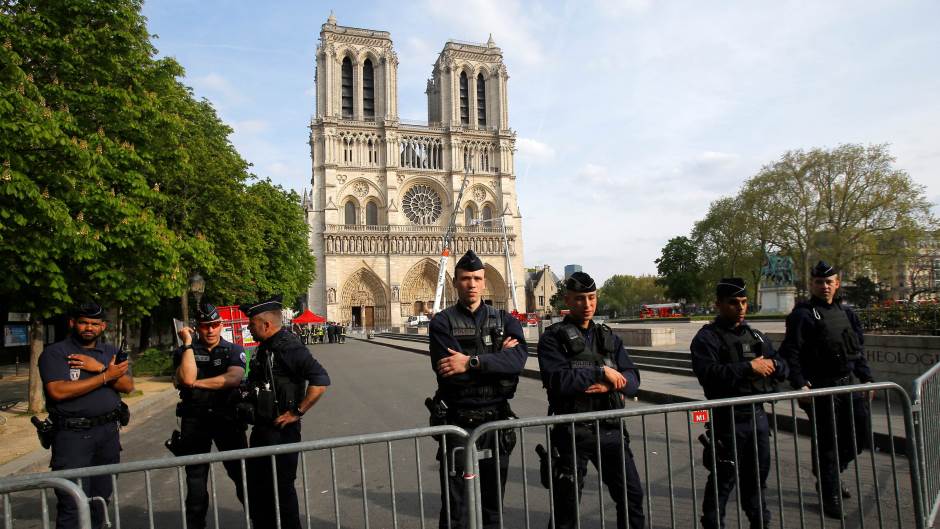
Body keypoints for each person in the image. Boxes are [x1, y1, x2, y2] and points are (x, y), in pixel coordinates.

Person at [428, 249, 528, 529]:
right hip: (459, 423)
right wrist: (497, 361)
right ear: (455, 282)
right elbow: (449, 375)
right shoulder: (441, 323)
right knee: (455, 511)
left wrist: (470, 362)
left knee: (493, 508)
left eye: (477, 278)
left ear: (485, 282)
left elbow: (518, 361)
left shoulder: (505, 320)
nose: (471, 284)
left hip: (496, 422)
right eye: (465, 278)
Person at [537, 271, 645, 529]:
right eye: (579, 299)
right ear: (567, 300)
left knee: (632, 498)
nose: (587, 305)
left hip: (610, 429)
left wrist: (609, 383)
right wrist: (599, 372)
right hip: (573, 432)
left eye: (591, 298)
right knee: (567, 507)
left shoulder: (608, 337)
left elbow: (633, 379)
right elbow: (557, 380)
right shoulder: (552, 338)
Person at [690, 278, 788, 529]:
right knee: (723, 480)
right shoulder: (707, 338)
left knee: (757, 480)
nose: (741, 307)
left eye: (744, 302)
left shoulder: (755, 335)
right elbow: (709, 374)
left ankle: (760, 522)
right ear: (719, 304)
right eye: (734, 302)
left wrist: (773, 365)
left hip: (757, 417)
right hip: (727, 418)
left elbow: (783, 366)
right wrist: (749, 367)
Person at [779, 260, 874, 518]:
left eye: (829, 282)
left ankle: (827, 473)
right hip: (820, 388)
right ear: (811, 284)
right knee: (828, 443)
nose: (824, 286)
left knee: (859, 437)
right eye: (819, 282)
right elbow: (791, 352)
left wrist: (866, 378)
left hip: (847, 384)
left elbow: (856, 350)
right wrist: (800, 383)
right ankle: (829, 492)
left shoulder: (847, 313)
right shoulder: (802, 315)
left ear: (837, 283)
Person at [38, 302, 133, 529]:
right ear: (73, 323)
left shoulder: (110, 352)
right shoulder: (56, 352)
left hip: (108, 435)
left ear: (102, 326)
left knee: (101, 500)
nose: (88, 327)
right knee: (72, 504)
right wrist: (104, 377)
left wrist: (100, 368)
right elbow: (57, 391)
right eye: (83, 322)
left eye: (94, 323)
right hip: (72, 437)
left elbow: (128, 385)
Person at [241, 296, 330, 529]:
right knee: (260, 486)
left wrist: (297, 412)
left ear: (266, 325)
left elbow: (320, 381)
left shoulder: (288, 347)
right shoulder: (266, 347)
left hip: (281, 431)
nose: (249, 329)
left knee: (281, 490)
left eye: (251, 325)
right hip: (263, 429)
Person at [172, 303, 249, 529]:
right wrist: (187, 344)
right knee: (195, 484)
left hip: (227, 420)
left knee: (242, 477)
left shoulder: (233, 350)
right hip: (195, 422)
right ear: (198, 328)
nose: (211, 330)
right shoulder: (184, 352)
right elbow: (185, 378)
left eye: (215, 325)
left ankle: (257, 521)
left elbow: (233, 378)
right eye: (206, 326)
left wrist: (196, 384)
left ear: (221, 325)